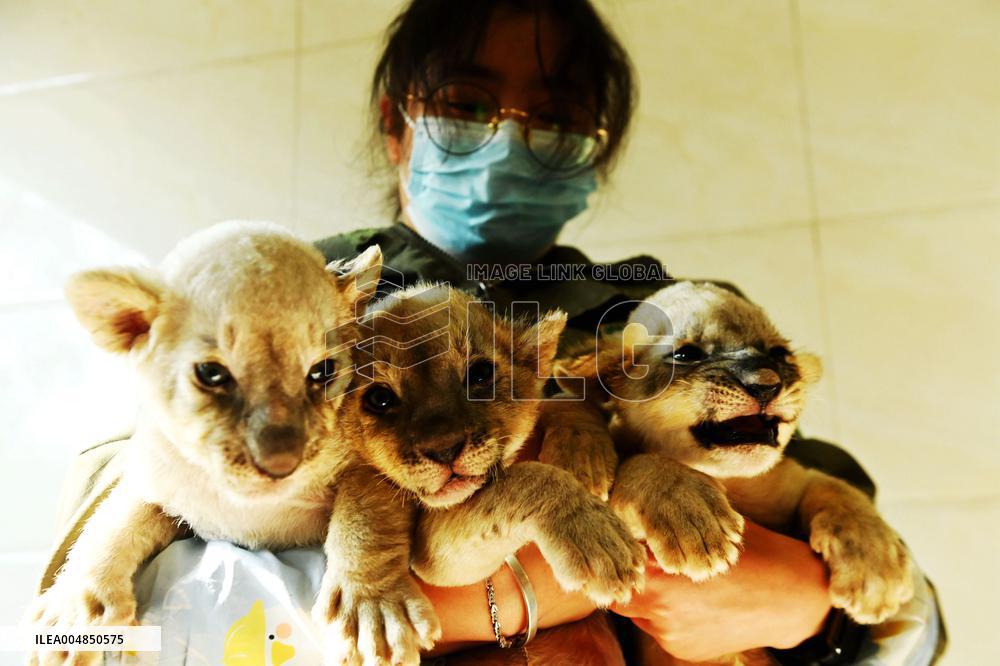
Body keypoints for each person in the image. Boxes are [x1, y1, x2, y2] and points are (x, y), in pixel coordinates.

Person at [38, 0, 945, 664]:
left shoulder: (655, 313)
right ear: (399, 126)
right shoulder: (289, 300)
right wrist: (487, 599)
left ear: (597, 153)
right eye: (469, 105)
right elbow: (68, 614)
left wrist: (807, 612)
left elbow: (921, 622)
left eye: (555, 121)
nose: (512, 137)